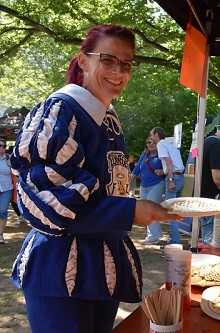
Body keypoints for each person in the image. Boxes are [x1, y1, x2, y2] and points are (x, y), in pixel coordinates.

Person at [9, 25, 180, 333]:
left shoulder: (108, 117)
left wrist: (133, 208)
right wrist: (132, 211)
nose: (118, 71)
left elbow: (108, 186)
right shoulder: (61, 110)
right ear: (84, 61)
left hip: (102, 267)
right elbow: (49, 200)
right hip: (60, 269)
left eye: (126, 64)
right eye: (107, 59)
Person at [149, 127, 185, 244]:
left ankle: (174, 241)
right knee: (175, 211)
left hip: (173, 178)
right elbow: (173, 163)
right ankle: (174, 239)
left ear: (156, 135)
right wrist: (164, 171)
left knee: (170, 212)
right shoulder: (171, 145)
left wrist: (170, 179)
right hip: (180, 177)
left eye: (151, 135)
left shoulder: (160, 144)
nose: (151, 138)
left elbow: (169, 161)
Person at [130, 139, 167, 245]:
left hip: (156, 185)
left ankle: (153, 236)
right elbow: (136, 170)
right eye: (149, 143)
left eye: (154, 143)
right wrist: (128, 182)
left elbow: (168, 169)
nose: (151, 145)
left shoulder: (161, 156)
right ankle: (156, 234)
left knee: (151, 210)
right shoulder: (144, 156)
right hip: (143, 186)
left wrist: (162, 172)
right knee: (145, 211)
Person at [0, 138, 14, 244]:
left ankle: (0, 235)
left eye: (3, 146)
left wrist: (11, 165)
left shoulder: (9, 158)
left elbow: (17, 172)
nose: (1, 148)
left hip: (6, 188)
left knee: (2, 211)